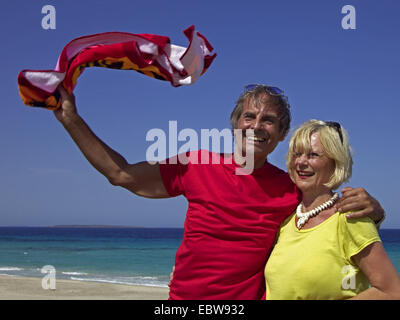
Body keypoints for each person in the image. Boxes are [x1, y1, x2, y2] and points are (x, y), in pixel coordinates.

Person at [54, 84, 385, 299]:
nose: (257, 126)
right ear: (235, 124)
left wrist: (375, 209)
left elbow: (326, 217)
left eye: (269, 120)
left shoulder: (290, 187)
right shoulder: (196, 164)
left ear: (282, 132)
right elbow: (121, 174)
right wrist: (70, 118)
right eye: (249, 116)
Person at [264, 120, 400, 299]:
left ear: (335, 162)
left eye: (313, 155)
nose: (301, 162)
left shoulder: (351, 218)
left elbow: (391, 291)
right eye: (297, 154)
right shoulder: (286, 223)